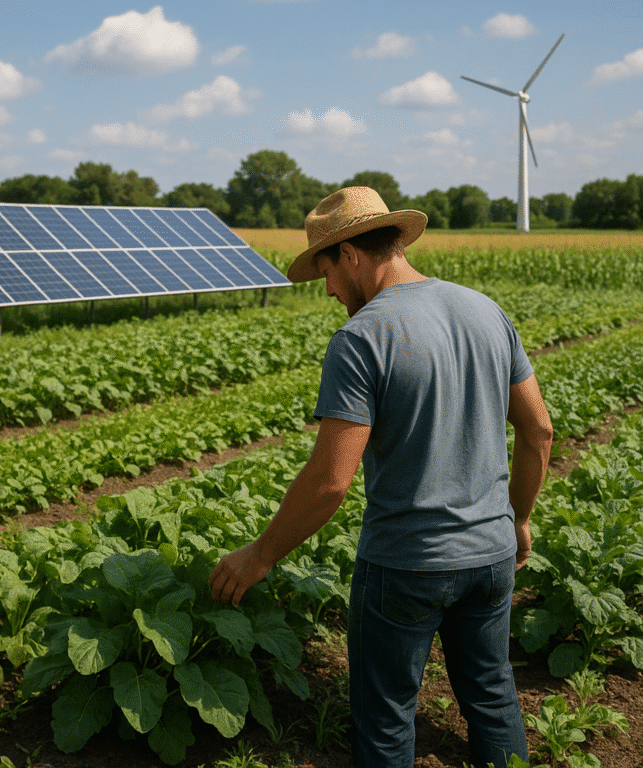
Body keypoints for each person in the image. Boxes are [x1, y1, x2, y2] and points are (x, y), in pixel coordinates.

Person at [209, 186, 553, 768]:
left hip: (406, 565)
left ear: (349, 254)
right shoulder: (485, 311)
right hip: (491, 554)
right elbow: (539, 430)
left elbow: (330, 482)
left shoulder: (362, 337)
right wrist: (517, 520)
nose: (328, 290)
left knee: (387, 719)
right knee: (492, 696)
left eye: (326, 272)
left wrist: (259, 555)